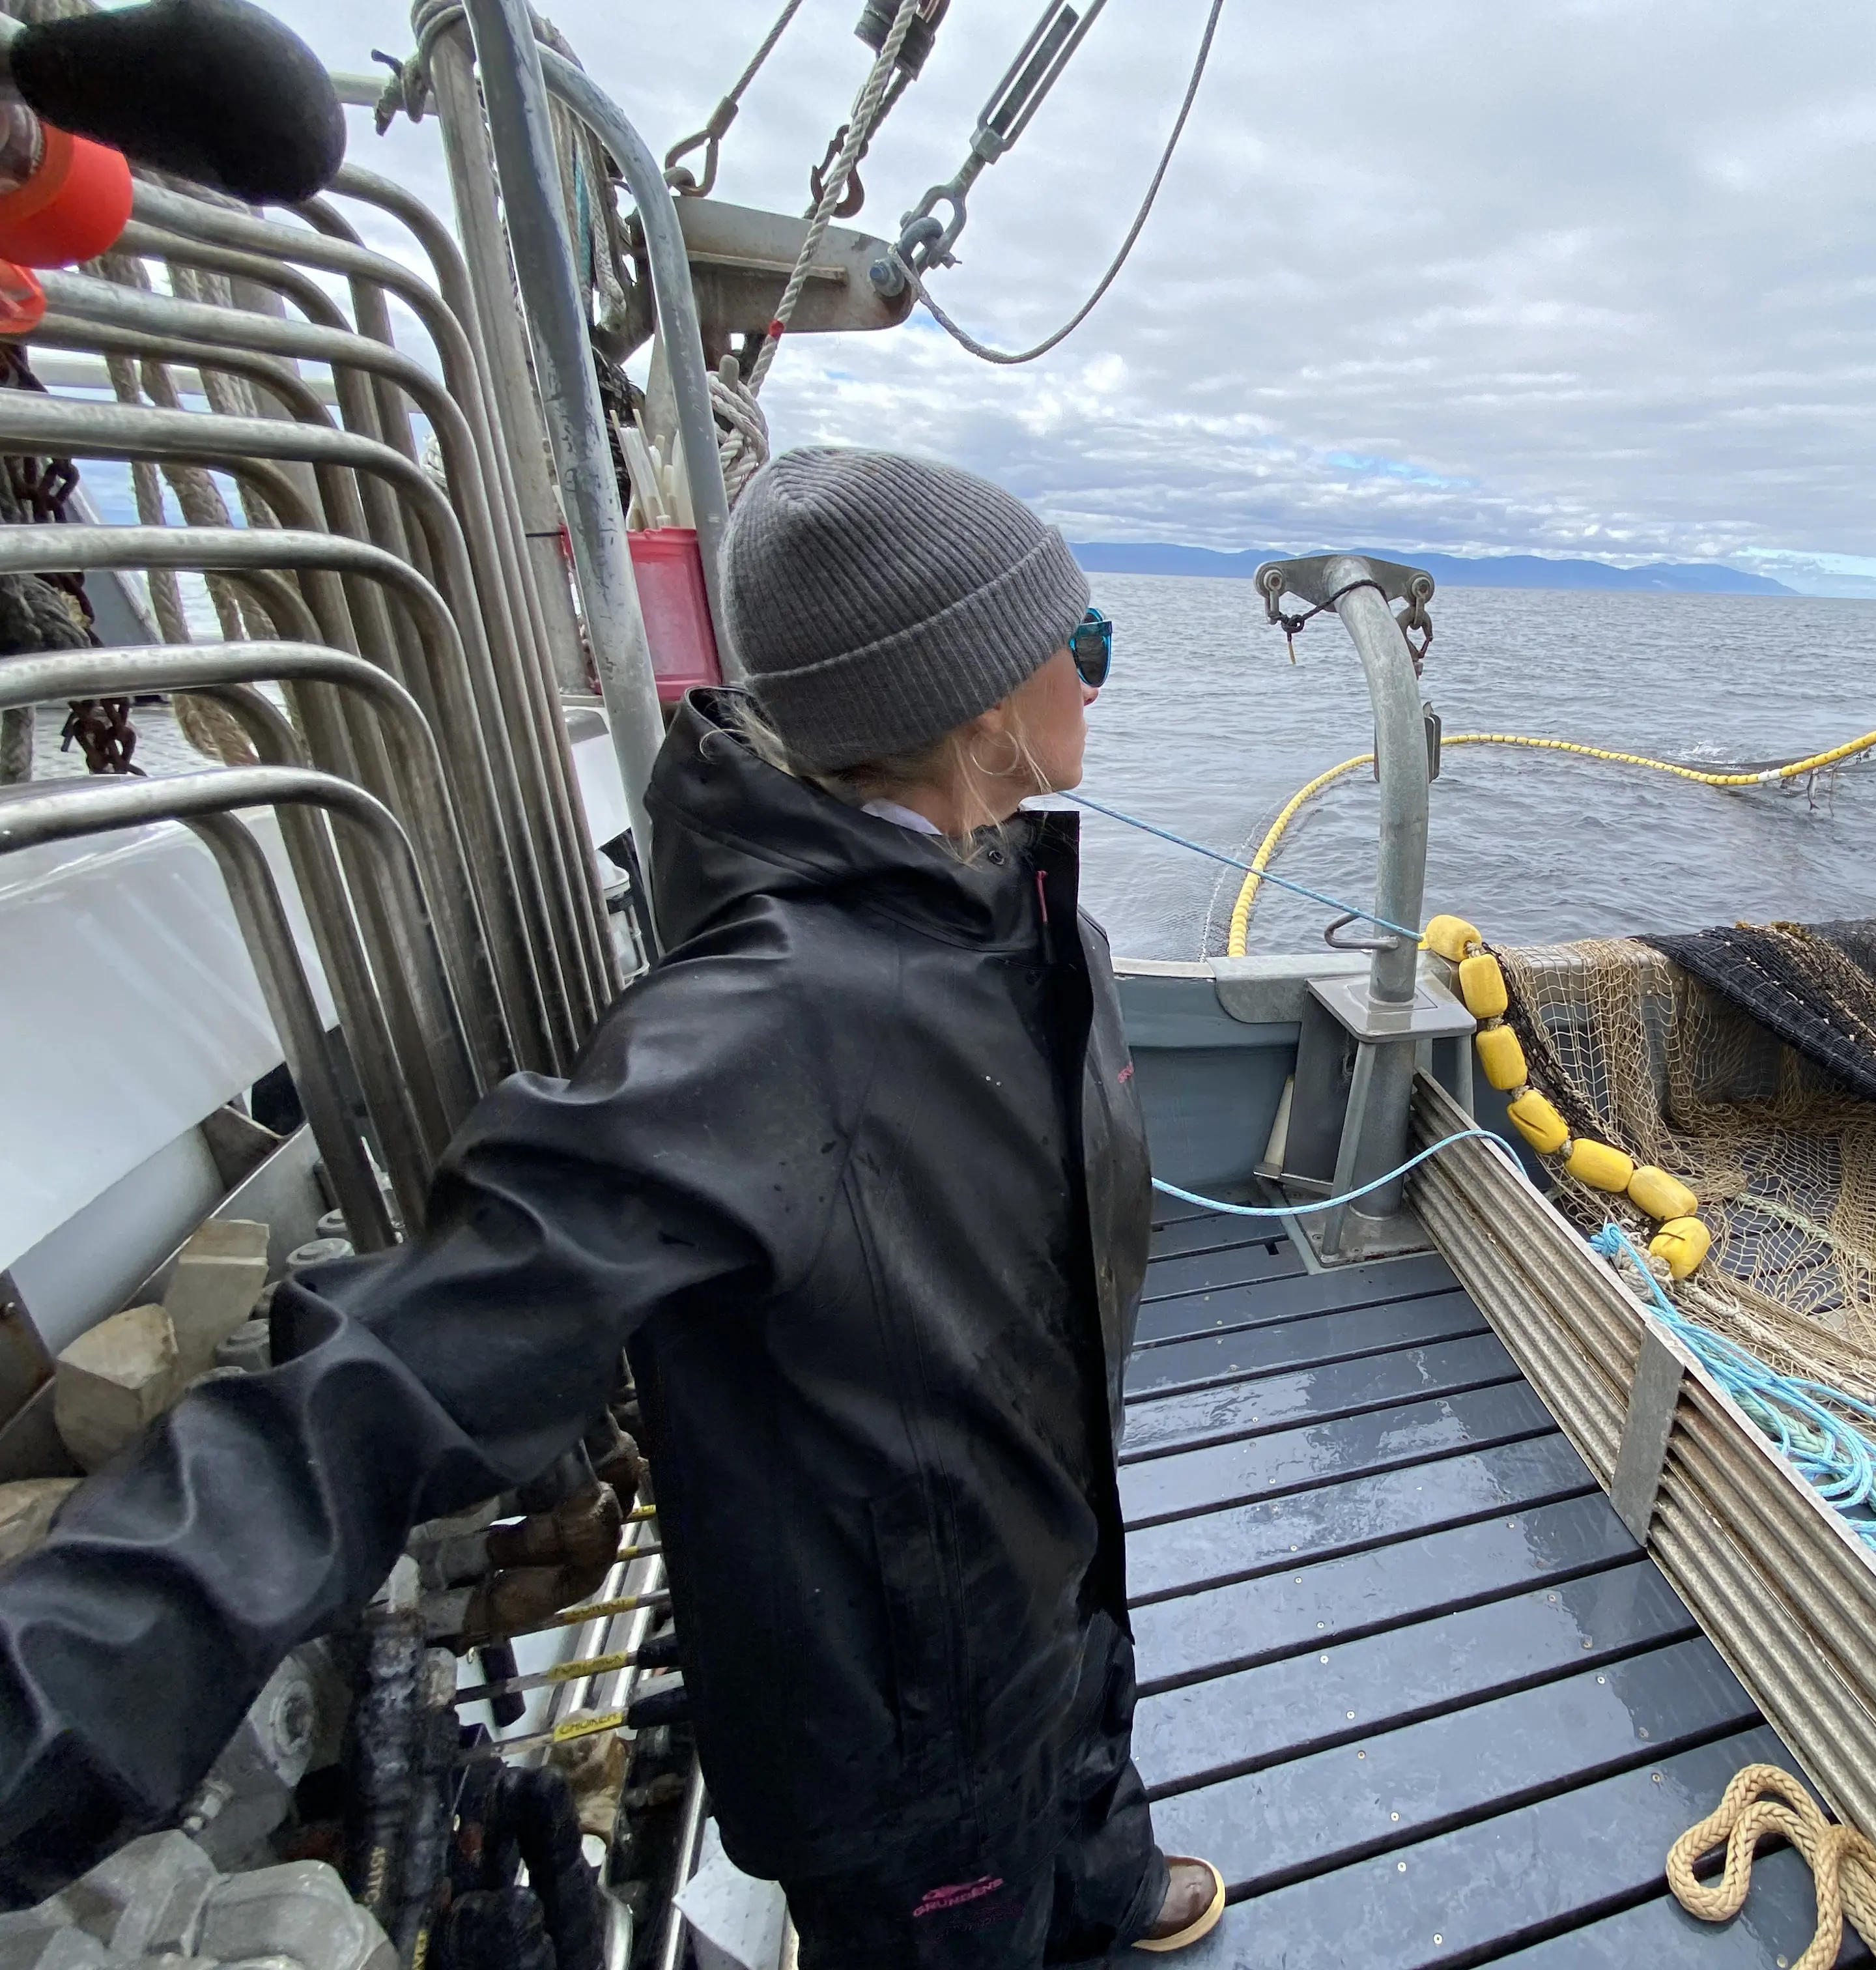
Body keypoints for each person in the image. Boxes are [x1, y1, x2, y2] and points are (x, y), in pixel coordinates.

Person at [0, 448, 1225, 1965]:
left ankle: (1102, 1878)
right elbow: (388, 1378)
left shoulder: (1026, 917)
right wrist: (46, 1701)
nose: (1100, 686)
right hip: (911, 1723)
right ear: (980, 706)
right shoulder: (758, 1032)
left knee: (1079, 1739)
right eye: (1085, 648)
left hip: (1052, 1571)